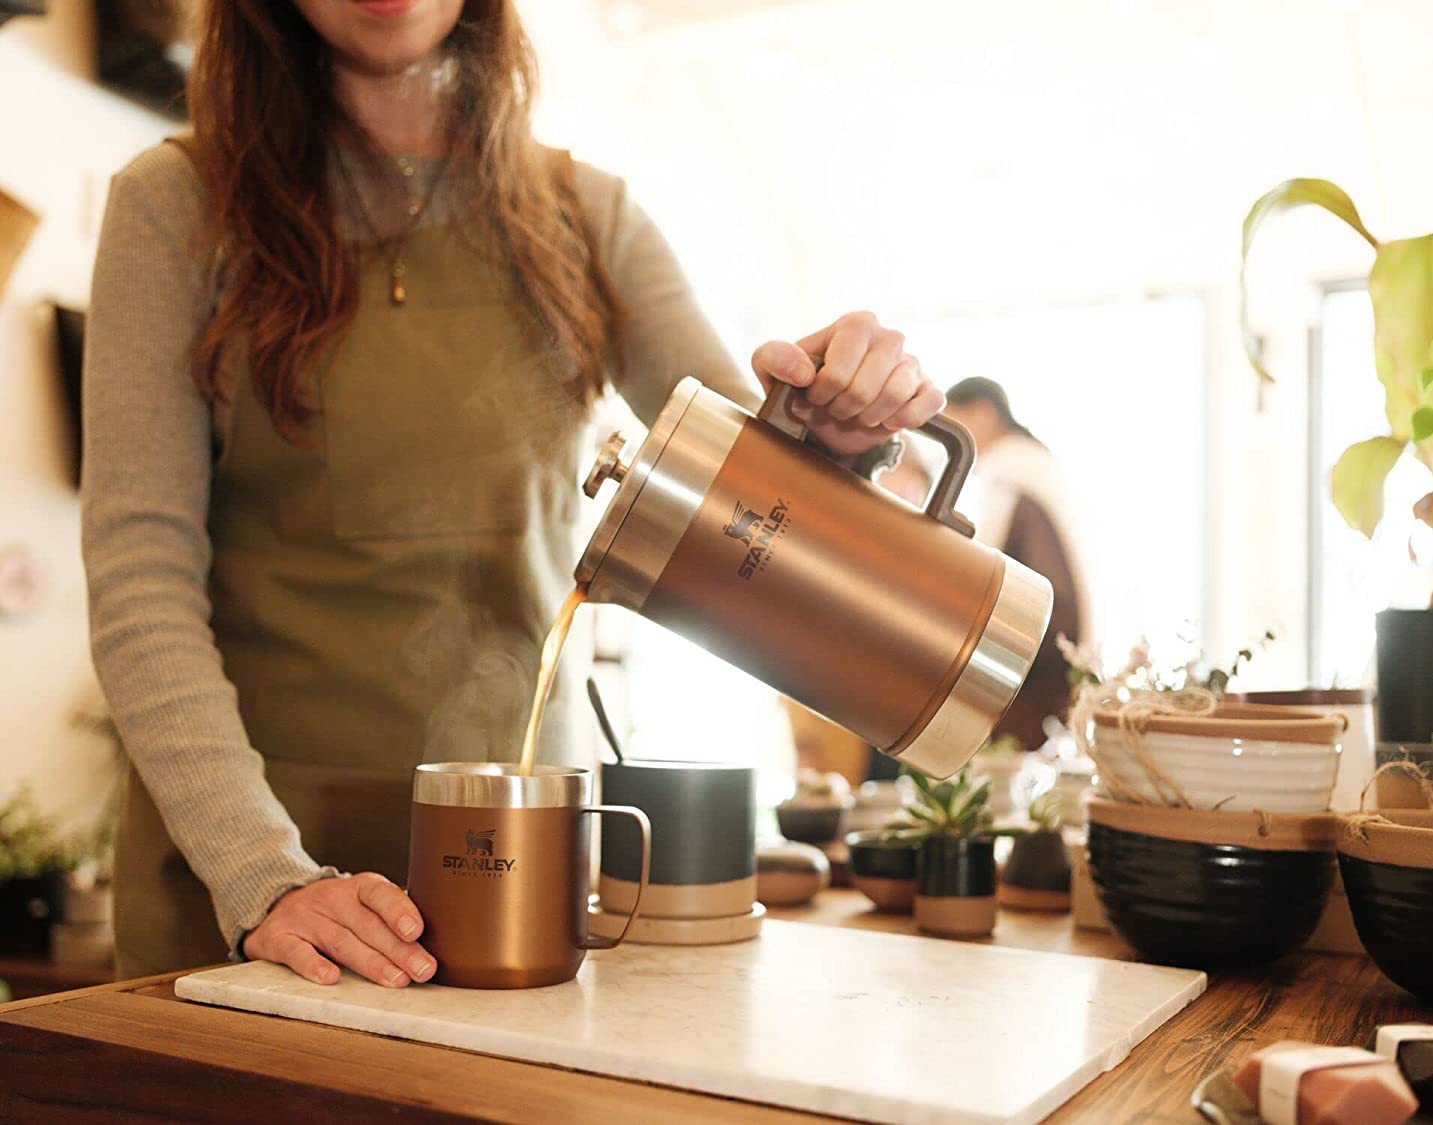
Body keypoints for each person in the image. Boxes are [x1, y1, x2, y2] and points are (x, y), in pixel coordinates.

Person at [82, 0, 944, 988]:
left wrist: (831, 434)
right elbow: (139, 578)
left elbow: (749, 495)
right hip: (244, 880)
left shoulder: (587, 215)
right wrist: (264, 879)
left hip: (514, 865)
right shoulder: (177, 205)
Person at [943, 378, 1091, 750]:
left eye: (958, 423)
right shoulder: (1040, 462)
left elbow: (987, 563)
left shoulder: (1009, 468)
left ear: (983, 412)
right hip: (1068, 643)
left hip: (1038, 648)